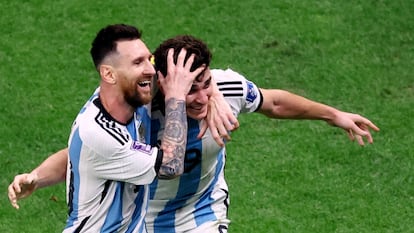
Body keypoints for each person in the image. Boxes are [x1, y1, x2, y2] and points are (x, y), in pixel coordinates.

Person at [8, 35, 379, 232]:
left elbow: (274, 102)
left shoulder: (225, 89)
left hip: (201, 212)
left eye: (205, 84)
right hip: (141, 220)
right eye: (190, 88)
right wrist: (37, 177)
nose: (202, 96)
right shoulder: (138, 111)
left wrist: (334, 115)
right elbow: (86, 154)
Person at [24, 23, 208, 233]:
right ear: (109, 74)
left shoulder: (127, 95)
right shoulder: (98, 134)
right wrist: (176, 97)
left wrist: (214, 96)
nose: (150, 70)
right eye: (138, 62)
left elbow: (74, 155)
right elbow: (171, 165)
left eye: (150, 60)